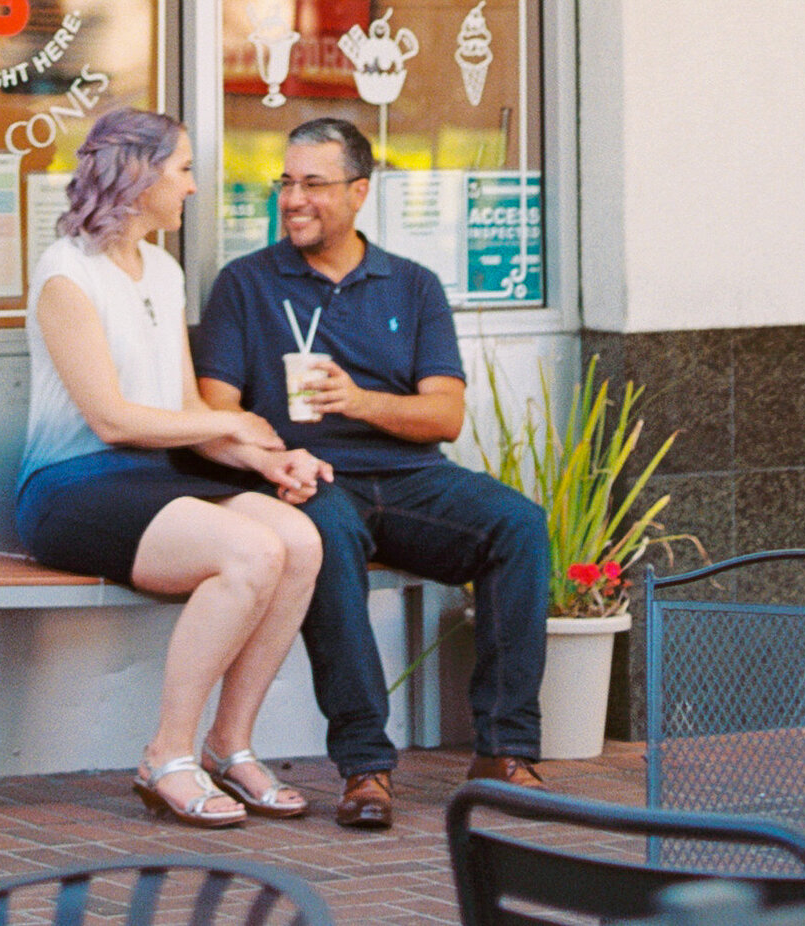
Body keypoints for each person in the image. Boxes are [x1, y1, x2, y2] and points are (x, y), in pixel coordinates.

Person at [194, 115, 549, 832]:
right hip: (309, 479)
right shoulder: (247, 284)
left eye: (313, 184)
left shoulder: (410, 286)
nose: (293, 199)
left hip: (412, 478)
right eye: (286, 182)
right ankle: (365, 766)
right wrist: (274, 456)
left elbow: (444, 414)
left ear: (359, 192)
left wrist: (356, 399)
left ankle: (505, 750)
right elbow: (213, 409)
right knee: (323, 538)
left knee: (519, 524)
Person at [18, 108, 331, 829]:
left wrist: (269, 459)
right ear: (138, 174)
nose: (193, 187)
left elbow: (183, 407)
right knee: (250, 551)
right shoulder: (66, 273)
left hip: (153, 482)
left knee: (301, 541)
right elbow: (113, 419)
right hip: (70, 488)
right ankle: (167, 753)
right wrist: (231, 420)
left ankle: (230, 744)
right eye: (184, 169)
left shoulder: (161, 270)